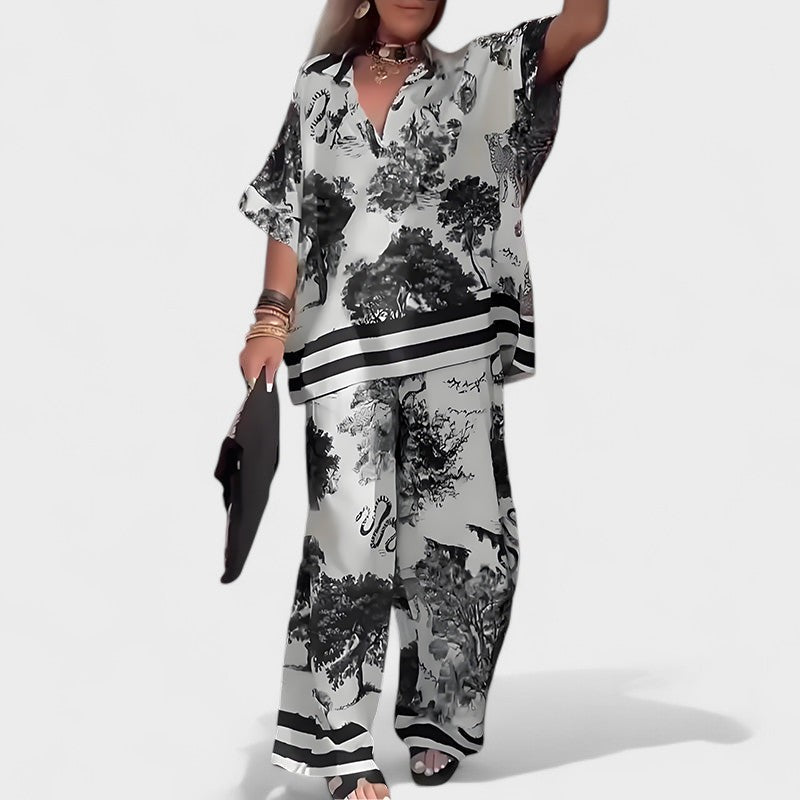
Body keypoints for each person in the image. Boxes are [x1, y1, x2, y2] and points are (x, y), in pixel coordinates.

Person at [237, 1, 607, 797]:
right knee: (348, 542)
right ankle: (339, 745)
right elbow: (289, 210)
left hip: (453, 349)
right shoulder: (318, 86)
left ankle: (438, 719)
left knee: (463, 545)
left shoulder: (478, 73)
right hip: (342, 348)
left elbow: (582, 24)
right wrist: (269, 318)